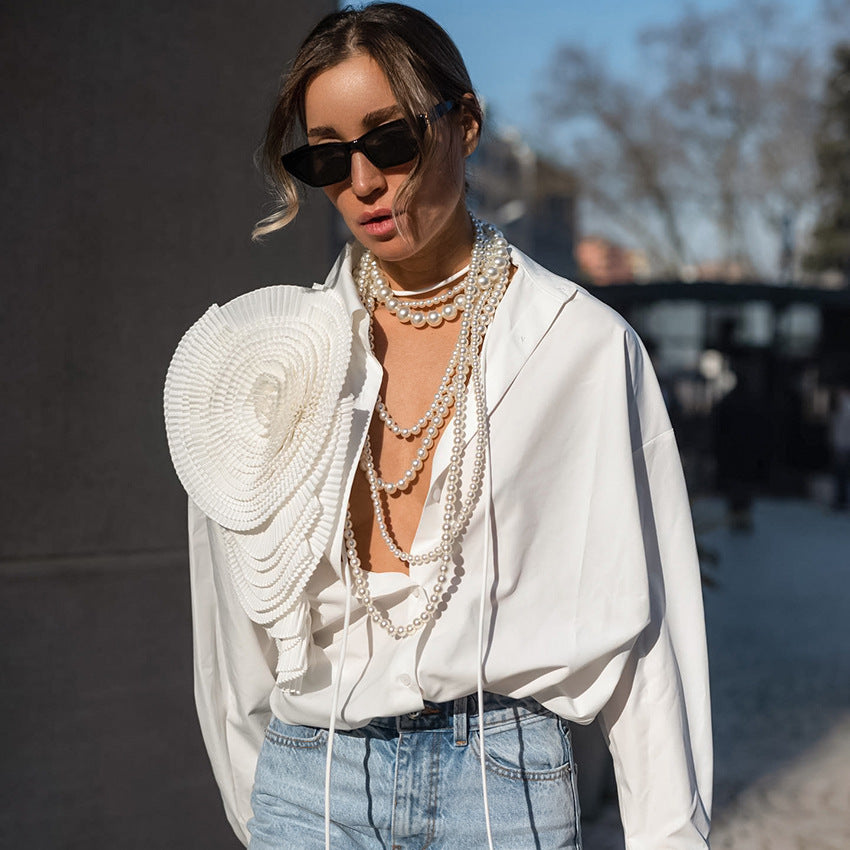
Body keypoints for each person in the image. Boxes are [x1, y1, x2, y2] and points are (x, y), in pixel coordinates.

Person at [164, 4, 712, 848]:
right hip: (309, 779)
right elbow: (233, 637)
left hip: (501, 788)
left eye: (390, 141)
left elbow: (645, 631)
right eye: (326, 157)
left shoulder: (580, 348)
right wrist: (267, 807)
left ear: (466, 123)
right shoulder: (266, 362)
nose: (362, 182)